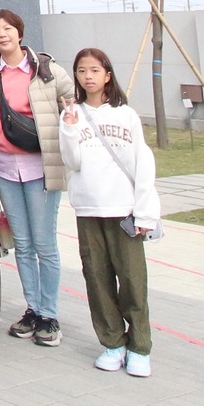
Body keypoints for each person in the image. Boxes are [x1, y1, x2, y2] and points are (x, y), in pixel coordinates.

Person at [0, 7, 75, 346]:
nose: (2, 34)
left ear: (20, 32)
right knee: (23, 244)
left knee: (44, 243)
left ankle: (50, 315)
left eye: (7, 28)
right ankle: (33, 309)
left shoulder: (45, 70)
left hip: (40, 168)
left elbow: (72, 103)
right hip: (5, 169)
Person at [61, 47, 160, 377]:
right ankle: (113, 343)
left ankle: (140, 346)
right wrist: (69, 128)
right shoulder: (72, 113)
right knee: (97, 278)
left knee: (132, 280)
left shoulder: (125, 115)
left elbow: (142, 164)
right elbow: (72, 162)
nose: (87, 76)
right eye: (81, 71)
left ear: (107, 75)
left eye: (94, 70)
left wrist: (145, 212)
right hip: (89, 209)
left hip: (123, 210)